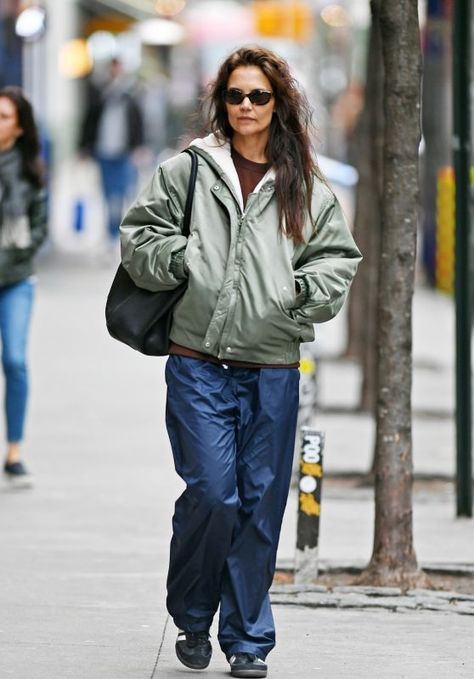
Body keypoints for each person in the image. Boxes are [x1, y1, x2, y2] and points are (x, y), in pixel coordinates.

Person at [120, 46, 361, 678]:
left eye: (259, 96)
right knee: (213, 493)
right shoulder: (189, 171)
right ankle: (193, 614)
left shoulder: (304, 183)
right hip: (197, 362)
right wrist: (185, 261)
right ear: (220, 102)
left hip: (274, 367)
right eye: (236, 95)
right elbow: (139, 236)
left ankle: (249, 639)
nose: (246, 106)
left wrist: (300, 294)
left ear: (278, 103)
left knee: (260, 505)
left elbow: (336, 258)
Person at [0, 86, 47, 488]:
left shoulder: (31, 168)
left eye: (3, 117)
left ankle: (14, 449)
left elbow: (39, 228)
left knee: (14, 360)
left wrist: (18, 253)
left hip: (16, 278)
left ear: (18, 127)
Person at [79, 57, 144, 242]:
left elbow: (138, 122)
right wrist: (84, 146)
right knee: (108, 192)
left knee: (123, 191)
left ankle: (119, 230)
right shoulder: (100, 93)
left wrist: (139, 147)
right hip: (103, 151)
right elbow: (89, 119)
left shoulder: (131, 94)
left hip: (124, 152)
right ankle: (111, 232)